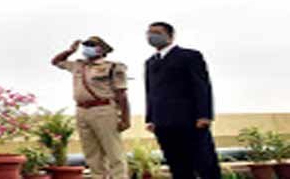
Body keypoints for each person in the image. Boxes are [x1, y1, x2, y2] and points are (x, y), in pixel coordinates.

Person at [144, 22, 221, 179]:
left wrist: (204, 115)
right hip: (163, 123)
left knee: (204, 162)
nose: (152, 36)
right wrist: (150, 118)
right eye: (149, 33)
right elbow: (150, 92)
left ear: (170, 36)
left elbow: (201, 86)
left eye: (157, 32)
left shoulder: (189, 56)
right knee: (177, 164)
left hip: (190, 120)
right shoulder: (150, 62)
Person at [51, 36, 129, 179]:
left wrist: (125, 118)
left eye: (92, 45)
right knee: (91, 153)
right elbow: (56, 62)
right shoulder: (78, 65)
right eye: (86, 45)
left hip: (104, 109)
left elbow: (121, 94)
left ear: (102, 49)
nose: (87, 47)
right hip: (82, 110)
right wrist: (70, 51)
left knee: (113, 152)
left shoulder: (112, 67)